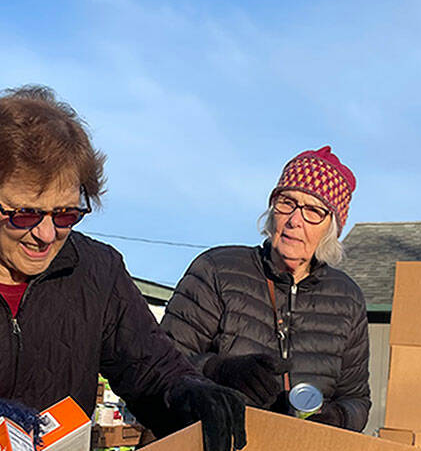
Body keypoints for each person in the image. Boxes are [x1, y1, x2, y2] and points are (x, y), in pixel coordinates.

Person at [0, 86, 245, 451]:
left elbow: (150, 369)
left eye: (66, 214)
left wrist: (191, 394)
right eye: (25, 214)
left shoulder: (97, 271)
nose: (47, 234)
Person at [159, 147, 370, 430]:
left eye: (313, 211)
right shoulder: (218, 271)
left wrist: (339, 417)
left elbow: (356, 398)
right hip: (215, 450)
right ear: (273, 209)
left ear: (332, 227)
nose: (295, 220)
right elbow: (160, 363)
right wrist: (219, 370)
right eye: (287, 202)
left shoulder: (347, 299)